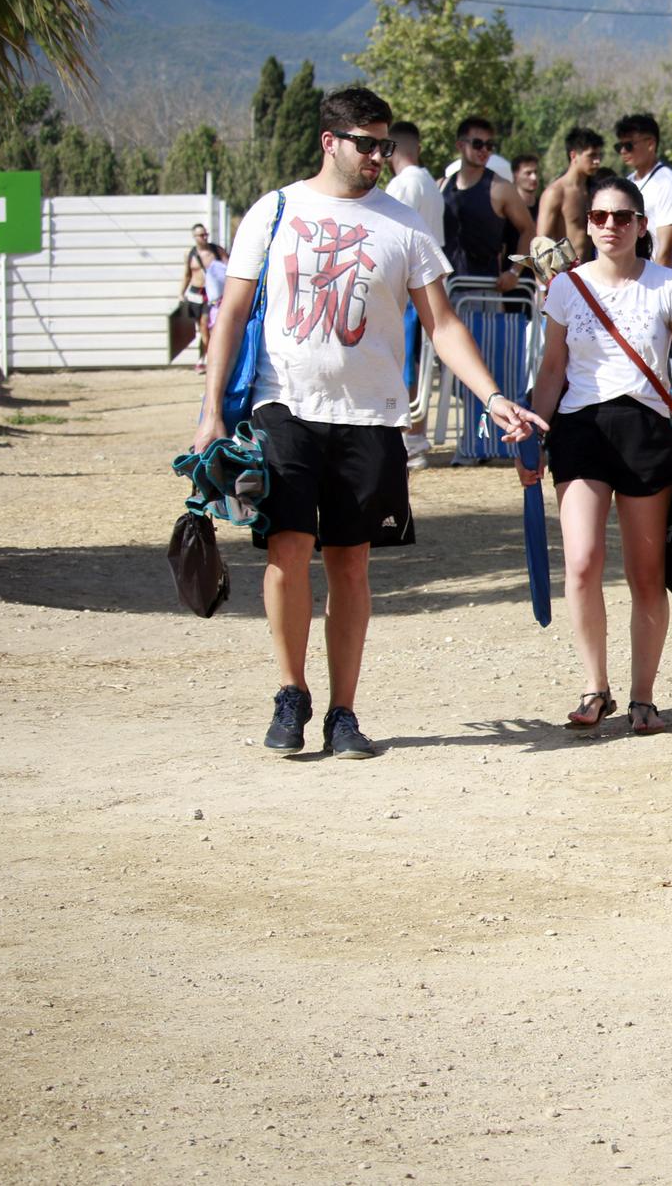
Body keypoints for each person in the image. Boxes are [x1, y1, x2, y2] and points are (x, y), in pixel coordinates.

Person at [192, 87, 546, 760]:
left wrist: (493, 396)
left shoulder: (404, 224)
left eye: (386, 144)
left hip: (372, 415)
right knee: (288, 551)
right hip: (284, 404)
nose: (380, 155)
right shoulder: (274, 211)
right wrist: (211, 411)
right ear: (330, 140)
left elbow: (442, 324)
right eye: (367, 143)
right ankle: (290, 693)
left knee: (351, 564)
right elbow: (231, 315)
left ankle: (343, 711)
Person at [517, 175, 672, 737]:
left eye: (622, 217)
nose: (609, 227)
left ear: (641, 225)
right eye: (599, 217)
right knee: (581, 563)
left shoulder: (670, 286)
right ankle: (594, 686)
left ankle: (642, 696)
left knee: (646, 575)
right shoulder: (566, 288)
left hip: (647, 429)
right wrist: (533, 434)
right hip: (579, 429)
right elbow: (551, 370)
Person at [386, 121, 445, 467]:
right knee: (416, 363)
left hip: (408, 284)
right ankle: (416, 435)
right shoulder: (428, 183)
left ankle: (411, 437)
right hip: (426, 279)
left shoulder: (403, 185)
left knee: (406, 361)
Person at [442, 116, 535, 290]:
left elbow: (528, 229)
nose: (484, 150)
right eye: (477, 144)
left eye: (490, 145)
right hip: (445, 289)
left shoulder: (501, 188)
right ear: (460, 145)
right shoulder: (442, 185)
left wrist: (514, 272)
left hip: (483, 289)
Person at [614, 112, 672, 270]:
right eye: (619, 146)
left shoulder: (668, 184)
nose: (623, 151)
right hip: (634, 279)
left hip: (664, 284)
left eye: (629, 145)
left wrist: (658, 290)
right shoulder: (627, 182)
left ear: (650, 144)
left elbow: (666, 250)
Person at [538, 126, 607, 263]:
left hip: (593, 273)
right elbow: (542, 243)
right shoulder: (556, 192)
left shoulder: (596, 191)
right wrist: (545, 282)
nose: (597, 161)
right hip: (564, 275)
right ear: (574, 155)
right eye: (592, 155)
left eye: (599, 155)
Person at [180, 223, 228, 371]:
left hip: (212, 295)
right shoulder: (190, 254)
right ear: (194, 237)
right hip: (195, 293)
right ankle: (202, 358)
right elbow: (188, 275)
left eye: (205, 234)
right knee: (201, 329)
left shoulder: (216, 251)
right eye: (201, 235)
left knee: (206, 325)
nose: (205, 237)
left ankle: (211, 360)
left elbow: (229, 268)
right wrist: (181, 293)